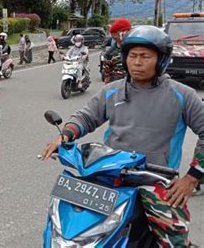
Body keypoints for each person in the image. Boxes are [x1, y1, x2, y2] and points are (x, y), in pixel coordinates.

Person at [42, 26, 204, 247]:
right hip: (109, 174)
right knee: (70, 228)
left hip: (155, 181)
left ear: (162, 59)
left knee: (174, 238)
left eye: (145, 57)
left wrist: (192, 178)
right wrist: (65, 136)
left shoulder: (182, 95)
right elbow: (87, 116)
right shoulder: (113, 91)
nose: (136, 62)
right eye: (132, 56)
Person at [103, 18, 132, 84]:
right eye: (122, 31)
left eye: (128, 30)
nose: (125, 33)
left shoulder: (135, 49)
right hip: (118, 83)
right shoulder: (110, 52)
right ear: (114, 35)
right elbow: (107, 71)